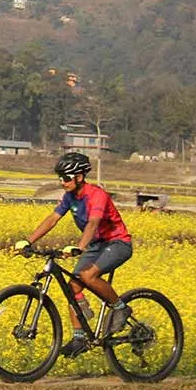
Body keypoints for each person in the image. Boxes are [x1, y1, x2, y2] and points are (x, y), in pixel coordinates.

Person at [14, 151, 134, 357]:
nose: (63, 182)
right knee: (73, 287)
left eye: (67, 178)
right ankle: (80, 337)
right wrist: (28, 241)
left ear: (79, 177)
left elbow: (93, 222)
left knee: (88, 276)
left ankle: (120, 308)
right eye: (60, 178)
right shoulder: (69, 197)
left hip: (117, 243)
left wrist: (79, 246)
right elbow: (52, 218)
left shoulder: (97, 195)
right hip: (96, 245)